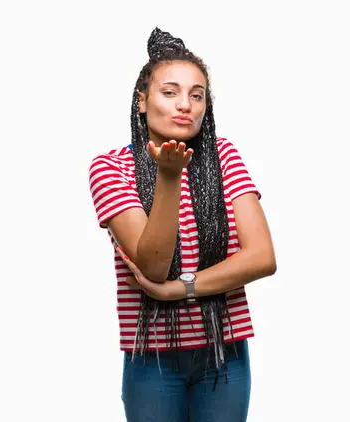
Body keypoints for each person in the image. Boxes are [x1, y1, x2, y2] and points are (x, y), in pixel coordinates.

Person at [88, 27, 276, 422]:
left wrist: (177, 289)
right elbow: (152, 263)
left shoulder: (224, 155)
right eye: (169, 92)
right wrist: (169, 177)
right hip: (152, 360)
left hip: (225, 355)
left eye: (196, 94)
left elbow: (261, 257)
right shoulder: (110, 168)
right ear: (142, 101)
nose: (185, 105)